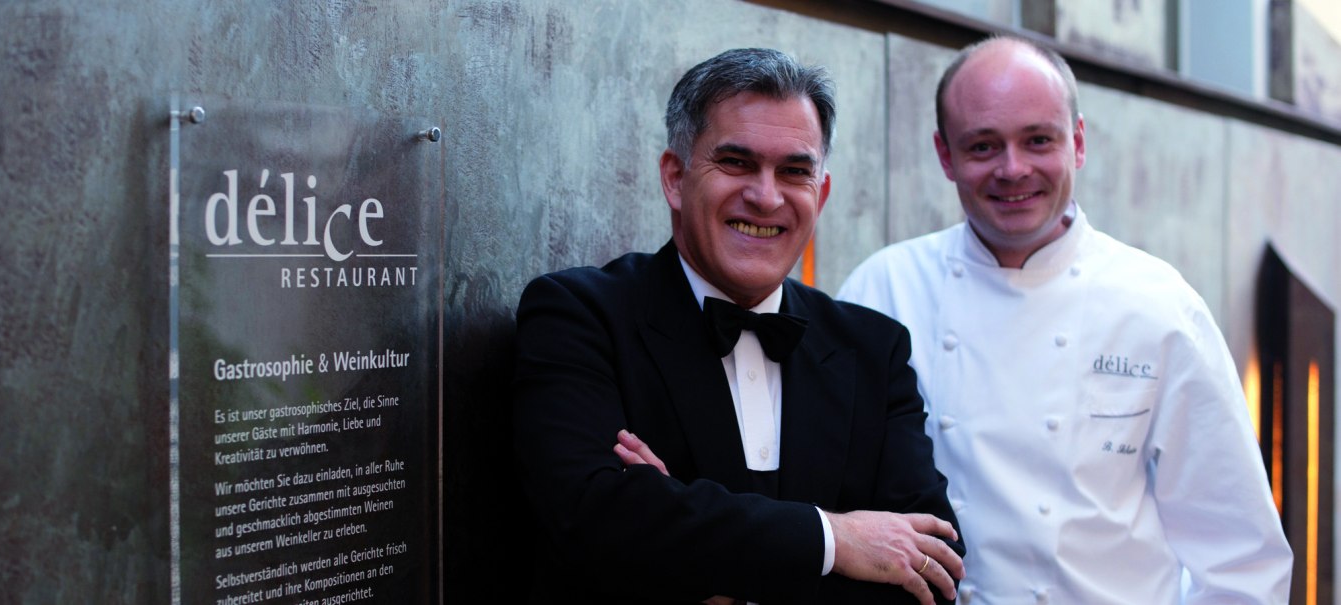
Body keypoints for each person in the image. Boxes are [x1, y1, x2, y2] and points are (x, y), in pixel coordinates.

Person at [837, 36, 1292, 603]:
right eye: (983, 146)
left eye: (1037, 140)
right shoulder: (883, 291)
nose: (1013, 169)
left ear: (1077, 142)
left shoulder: (1158, 306)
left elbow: (1239, 554)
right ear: (945, 155)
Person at [513, 48, 965, 605]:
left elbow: (933, 568)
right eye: (736, 162)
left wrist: (686, 543)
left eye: (795, 171)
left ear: (820, 195)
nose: (766, 195)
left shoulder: (875, 348)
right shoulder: (579, 316)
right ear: (675, 179)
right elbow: (593, 521)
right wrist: (836, 540)